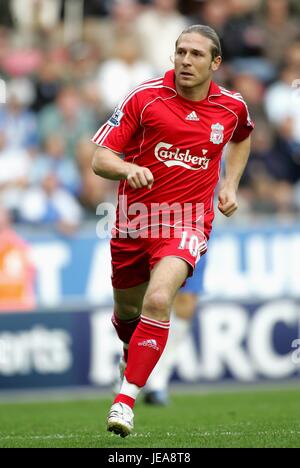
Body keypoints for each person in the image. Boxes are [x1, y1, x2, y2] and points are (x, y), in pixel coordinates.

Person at [92, 24, 254, 437]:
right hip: (135, 223)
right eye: (180, 51)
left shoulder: (232, 107)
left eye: (197, 54)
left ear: (215, 63)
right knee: (127, 312)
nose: (185, 59)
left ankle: (125, 399)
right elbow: (100, 158)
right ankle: (131, 353)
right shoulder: (144, 98)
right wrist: (129, 167)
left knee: (160, 297)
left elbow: (241, 138)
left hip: (186, 223)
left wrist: (229, 184)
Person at [143, 256, 207, 405]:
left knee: (186, 303)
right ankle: (131, 367)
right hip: (153, 235)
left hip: (193, 236)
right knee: (151, 299)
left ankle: (158, 380)